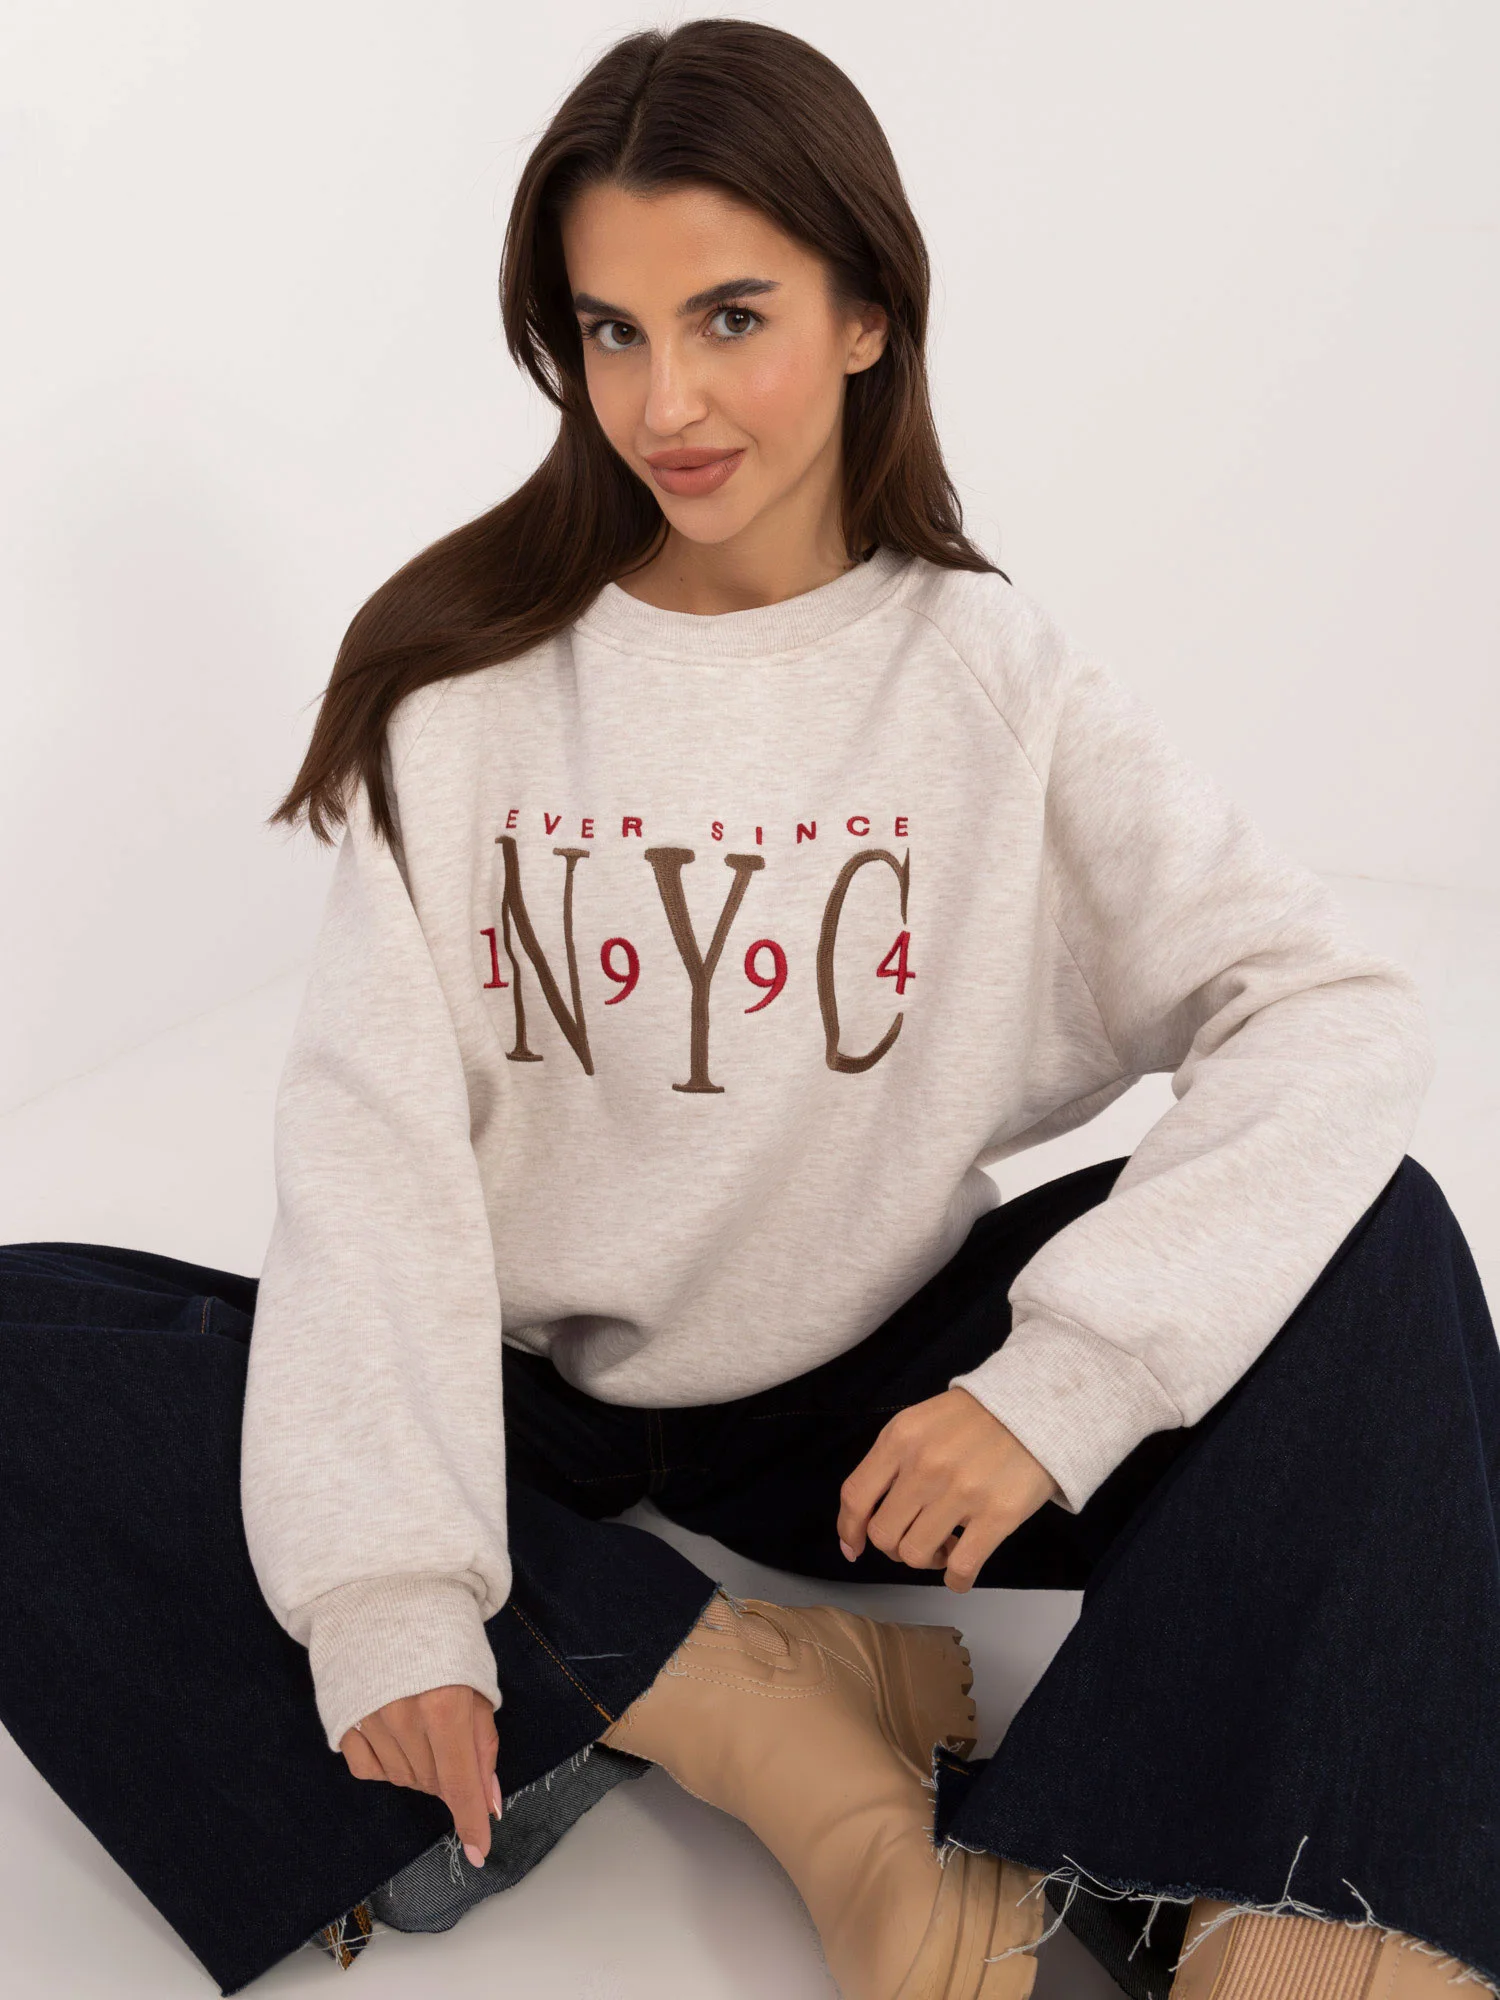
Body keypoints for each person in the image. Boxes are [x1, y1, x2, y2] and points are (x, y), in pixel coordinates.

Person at [1, 18, 1496, 2000]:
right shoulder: (464, 689)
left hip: (892, 1418)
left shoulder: (988, 675)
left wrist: (1054, 1389)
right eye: (610, 331)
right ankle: (755, 1705)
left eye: (729, 317)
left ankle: (1281, 1900)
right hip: (531, 1417)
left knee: (1378, 1238)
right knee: (25, 1340)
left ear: (869, 312)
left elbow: (1329, 1005)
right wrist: (390, 1589)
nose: (665, 400)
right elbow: (372, 1167)